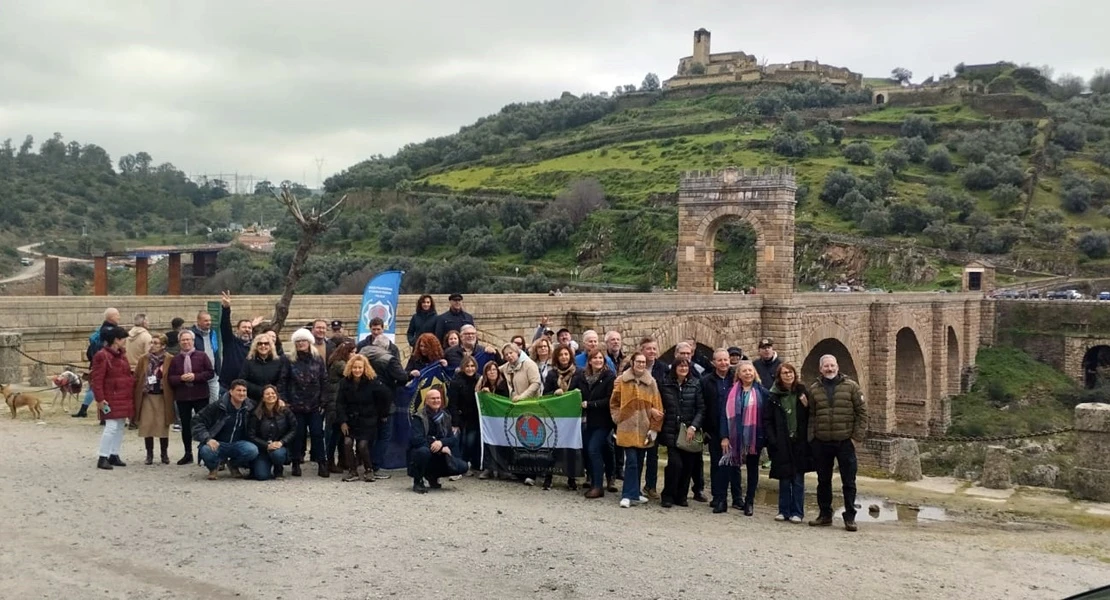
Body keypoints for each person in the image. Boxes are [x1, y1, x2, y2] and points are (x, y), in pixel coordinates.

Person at [807, 354, 867, 532]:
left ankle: (850, 517)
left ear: (838, 367)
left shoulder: (851, 387)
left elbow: (862, 413)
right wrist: (812, 438)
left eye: (832, 365)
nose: (830, 369)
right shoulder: (814, 389)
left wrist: (857, 437)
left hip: (845, 442)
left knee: (849, 481)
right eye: (826, 366)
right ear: (820, 369)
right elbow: (811, 415)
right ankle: (825, 515)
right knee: (823, 480)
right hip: (822, 441)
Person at [610, 351, 663, 508]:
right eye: (638, 362)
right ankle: (627, 494)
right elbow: (614, 402)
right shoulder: (622, 381)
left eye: (643, 362)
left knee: (639, 462)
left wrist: (654, 427)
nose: (641, 364)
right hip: (627, 426)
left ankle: (636, 493)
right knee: (631, 461)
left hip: (644, 427)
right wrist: (618, 417)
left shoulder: (651, 382)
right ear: (632, 363)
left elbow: (657, 405)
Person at [763, 362, 811, 523]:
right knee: (784, 478)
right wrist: (772, 439)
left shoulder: (803, 393)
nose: (788, 375)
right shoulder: (774, 396)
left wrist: (807, 406)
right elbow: (767, 420)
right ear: (779, 376)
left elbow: (812, 416)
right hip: (781, 441)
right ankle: (783, 510)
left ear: (794, 375)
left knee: (797, 479)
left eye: (790, 372)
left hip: (799, 441)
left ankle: (797, 511)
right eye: (784, 373)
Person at [719, 360, 767, 517]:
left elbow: (767, 416)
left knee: (753, 470)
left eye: (750, 370)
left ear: (755, 373)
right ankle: (722, 500)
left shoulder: (762, 392)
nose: (748, 373)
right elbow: (723, 415)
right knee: (728, 467)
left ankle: (749, 502)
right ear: (738, 374)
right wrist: (724, 436)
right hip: (733, 437)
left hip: (753, 438)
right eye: (744, 371)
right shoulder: (731, 392)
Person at [280, 328, 329, 478]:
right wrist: (284, 400)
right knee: (298, 435)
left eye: (304, 341)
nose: (301, 343)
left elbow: (324, 380)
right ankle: (296, 462)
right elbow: (283, 381)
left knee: (317, 434)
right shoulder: (289, 360)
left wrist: (324, 399)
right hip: (296, 405)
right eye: (298, 341)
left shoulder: (318, 359)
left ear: (309, 342)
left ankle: (322, 462)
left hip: (314, 405)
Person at [336, 354, 392, 482]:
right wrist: (343, 421)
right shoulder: (344, 382)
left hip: (368, 420)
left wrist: (382, 413)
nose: (357, 370)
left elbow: (386, 396)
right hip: (350, 420)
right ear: (351, 368)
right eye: (355, 367)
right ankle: (352, 470)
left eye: (360, 367)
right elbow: (340, 403)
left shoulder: (372, 382)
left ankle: (369, 469)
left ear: (364, 368)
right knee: (347, 442)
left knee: (362, 445)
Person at [659, 358, 705, 508]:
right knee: (675, 464)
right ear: (675, 367)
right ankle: (668, 495)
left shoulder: (696, 384)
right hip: (672, 429)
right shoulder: (665, 384)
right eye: (680, 366)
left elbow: (701, 408)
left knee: (688, 465)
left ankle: (681, 495)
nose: (683, 368)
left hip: (689, 431)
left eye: (686, 366)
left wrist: (694, 426)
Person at [571, 349, 616, 499]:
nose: (598, 360)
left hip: (603, 421)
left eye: (600, 358)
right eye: (595, 358)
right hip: (585, 421)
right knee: (587, 451)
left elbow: (610, 399)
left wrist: (590, 404)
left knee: (594, 449)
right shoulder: (581, 376)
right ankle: (593, 480)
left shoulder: (609, 377)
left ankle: (598, 486)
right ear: (589, 361)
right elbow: (573, 392)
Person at [192, 380, 259, 480]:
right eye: (238, 390)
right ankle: (213, 467)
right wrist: (207, 439)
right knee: (206, 450)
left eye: (244, 391)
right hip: (218, 443)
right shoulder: (218, 406)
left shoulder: (250, 407)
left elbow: (265, 406)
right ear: (231, 392)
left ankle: (233, 464)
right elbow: (197, 421)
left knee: (252, 450)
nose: (242, 393)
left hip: (238, 443)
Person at [167, 330, 216, 466]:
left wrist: (196, 376)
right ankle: (187, 453)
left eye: (188, 339)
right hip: (183, 396)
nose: (186, 342)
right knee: (186, 426)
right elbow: (170, 378)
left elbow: (210, 373)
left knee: (203, 424)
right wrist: (180, 379)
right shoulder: (175, 359)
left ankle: (204, 452)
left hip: (200, 394)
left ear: (193, 341)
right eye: (183, 340)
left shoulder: (202, 356)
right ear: (179, 342)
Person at [408, 387, 467, 493]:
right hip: (422, 452)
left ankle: (433, 476)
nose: (436, 401)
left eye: (438, 398)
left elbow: (452, 439)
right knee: (423, 452)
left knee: (463, 466)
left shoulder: (446, 416)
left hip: (439, 453)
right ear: (426, 401)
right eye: (433, 398)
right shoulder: (418, 417)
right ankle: (418, 481)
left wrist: (441, 443)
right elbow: (417, 439)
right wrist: (437, 445)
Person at [91, 327, 134, 470]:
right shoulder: (102, 356)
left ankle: (114, 453)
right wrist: (100, 398)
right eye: (123, 339)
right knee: (111, 426)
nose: (125, 342)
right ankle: (103, 456)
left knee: (120, 426)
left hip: (123, 394)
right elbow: (97, 379)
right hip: (111, 396)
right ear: (116, 340)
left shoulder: (121, 355)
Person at [701, 349, 737, 512]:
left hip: (734, 427)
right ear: (714, 362)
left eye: (726, 360)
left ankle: (737, 498)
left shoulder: (736, 379)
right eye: (720, 360)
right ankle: (717, 497)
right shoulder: (706, 381)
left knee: (734, 464)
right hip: (714, 428)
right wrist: (704, 428)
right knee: (717, 463)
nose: (723, 363)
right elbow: (702, 405)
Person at [132, 334, 174, 465]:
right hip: (147, 395)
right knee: (147, 425)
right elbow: (137, 376)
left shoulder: (170, 359)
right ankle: (149, 454)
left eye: (156, 343)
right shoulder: (144, 359)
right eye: (152, 343)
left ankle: (164, 454)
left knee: (162, 426)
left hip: (163, 396)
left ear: (163, 345)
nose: (153, 345)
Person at [73, 307, 121, 418]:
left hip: (96, 362)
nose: (119, 316)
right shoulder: (112, 332)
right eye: (117, 314)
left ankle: (85, 410)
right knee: (104, 389)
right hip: (106, 363)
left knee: (95, 387)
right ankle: (104, 415)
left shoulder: (100, 330)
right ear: (111, 317)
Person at [637, 337, 668, 501]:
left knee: (653, 453)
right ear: (642, 350)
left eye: (654, 349)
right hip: (638, 416)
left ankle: (650, 486)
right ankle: (634, 486)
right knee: (638, 453)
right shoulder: (633, 368)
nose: (652, 352)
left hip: (656, 417)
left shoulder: (663, 368)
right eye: (648, 349)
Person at [247, 384, 296, 480]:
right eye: (267, 394)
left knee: (277, 454)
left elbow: (293, 429)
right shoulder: (256, 413)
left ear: (277, 395)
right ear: (263, 398)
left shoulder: (285, 411)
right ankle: (258, 466)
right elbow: (251, 435)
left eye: (273, 393)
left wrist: (281, 442)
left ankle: (278, 469)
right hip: (262, 448)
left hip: (280, 447)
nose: (271, 395)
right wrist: (266, 445)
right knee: (262, 476)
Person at [326, 341, 357, 473]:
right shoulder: (340, 364)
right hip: (335, 403)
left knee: (340, 434)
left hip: (336, 402)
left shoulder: (336, 361)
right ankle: (330, 461)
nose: (355, 355)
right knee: (334, 435)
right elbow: (350, 374)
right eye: (353, 352)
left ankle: (342, 460)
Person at [447, 355, 481, 475]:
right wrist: (455, 421)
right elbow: (453, 403)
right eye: (467, 366)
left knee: (470, 442)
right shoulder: (456, 381)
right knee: (460, 443)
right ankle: (459, 465)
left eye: (472, 366)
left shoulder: (479, 379)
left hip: (474, 417)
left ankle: (468, 464)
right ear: (463, 367)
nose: (470, 369)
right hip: (460, 416)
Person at [218, 292, 257, 395]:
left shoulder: (256, 346)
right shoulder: (230, 342)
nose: (247, 330)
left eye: (249, 328)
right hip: (227, 387)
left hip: (247, 388)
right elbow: (225, 326)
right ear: (237, 329)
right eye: (244, 327)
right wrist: (226, 308)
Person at [476, 360, 509, 479]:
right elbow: (477, 397)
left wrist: (491, 395)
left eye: (494, 369)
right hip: (488, 419)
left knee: (501, 443)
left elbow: (504, 400)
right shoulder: (482, 383)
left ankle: (502, 469)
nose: (492, 372)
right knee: (488, 442)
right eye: (489, 370)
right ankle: (488, 468)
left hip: (501, 418)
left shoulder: (503, 384)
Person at [239, 333, 286, 403]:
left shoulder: (279, 362)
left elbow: (282, 381)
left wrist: (271, 392)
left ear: (270, 346)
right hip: (253, 400)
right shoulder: (248, 362)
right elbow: (242, 380)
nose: (263, 346)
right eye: (259, 344)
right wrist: (261, 390)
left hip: (273, 400)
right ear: (255, 346)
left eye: (266, 343)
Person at [190, 310, 220, 405]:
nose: (209, 323)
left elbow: (216, 350)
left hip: (213, 372)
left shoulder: (213, 333)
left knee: (214, 399)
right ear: (198, 321)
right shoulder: (191, 334)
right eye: (206, 321)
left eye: (210, 320)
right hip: (198, 374)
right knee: (198, 401)